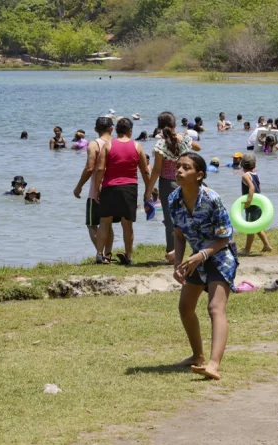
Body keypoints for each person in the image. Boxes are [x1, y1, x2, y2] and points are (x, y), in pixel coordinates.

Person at [169, 152, 238, 381]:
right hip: (195, 258)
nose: (179, 171)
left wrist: (202, 255)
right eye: (178, 167)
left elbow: (225, 237)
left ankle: (214, 365)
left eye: (185, 168)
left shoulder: (211, 199)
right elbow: (178, 235)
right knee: (185, 307)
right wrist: (178, 262)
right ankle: (197, 356)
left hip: (220, 255)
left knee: (215, 308)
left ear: (199, 175)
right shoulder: (173, 199)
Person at [93, 117, 150, 265]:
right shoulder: (137, 146)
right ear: (130, 131)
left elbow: (100, 169)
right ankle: (129, 256)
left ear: (116, 130)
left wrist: (97, 188)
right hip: (129, 188)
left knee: (104, 221)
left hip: (109, 186)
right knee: (127, 224)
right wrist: (148, 190)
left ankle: (100, 254)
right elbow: (145, 171)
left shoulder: (107, 145)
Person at [149, 112, 201, 264]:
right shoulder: (183, 138)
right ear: (175, 124)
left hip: (168, 183)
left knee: (170, 221)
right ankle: (198, 249)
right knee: (191, 215)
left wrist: (148, 190)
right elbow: (198, 148)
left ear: (159, 126)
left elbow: (157, 170)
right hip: (187, 181)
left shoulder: (161, 142)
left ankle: (172, 254)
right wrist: (186, 139)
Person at [74, 117, 115, 260]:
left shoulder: (94, 144)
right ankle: (108, 254)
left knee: (92, 224)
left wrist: (78, 187)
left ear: (95, 129)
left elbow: (90, 168)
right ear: (112, 128)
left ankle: (100, 254)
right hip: (113, 188)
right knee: (108, 224)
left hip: (95, 190)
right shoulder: (116, 144)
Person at [240, 155, 272, 254]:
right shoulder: (255, 174)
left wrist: (249, 201)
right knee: (257, 226)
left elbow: (252, 188)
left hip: (252, 205)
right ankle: (267, 245)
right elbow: (259, 188)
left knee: (250, 227)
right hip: (258, 203)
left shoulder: (245, 175)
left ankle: (247, 250)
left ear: (242, 164)